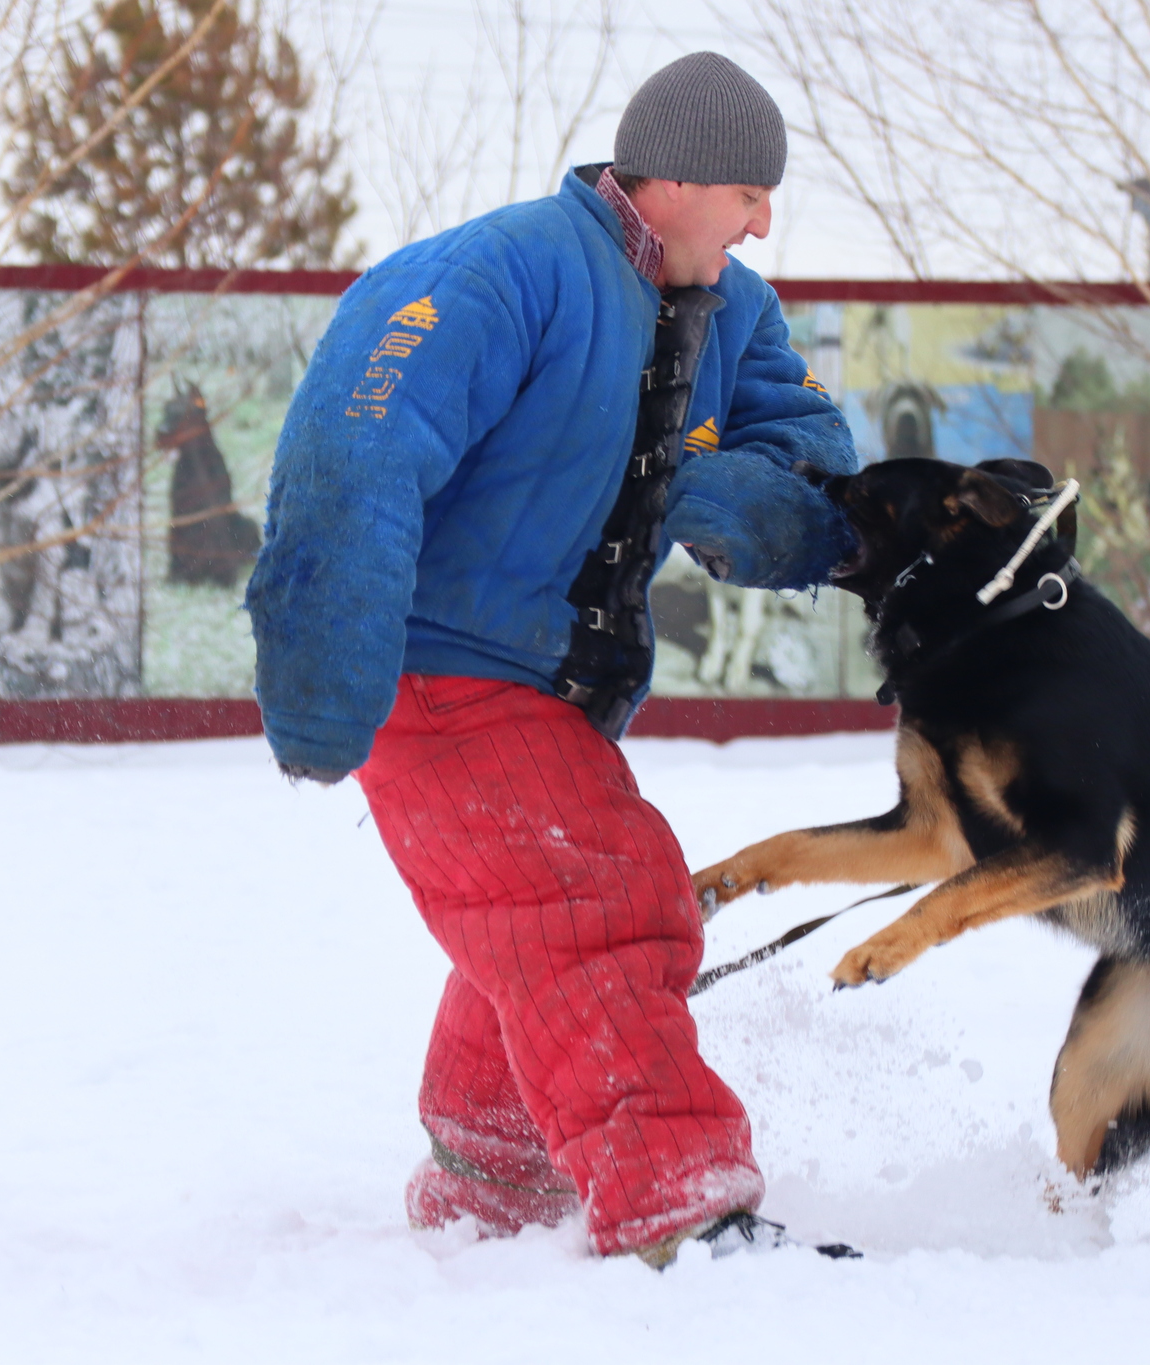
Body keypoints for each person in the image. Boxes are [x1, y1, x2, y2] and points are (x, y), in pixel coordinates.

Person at [247, 53, 859, 1265]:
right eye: (749, 192)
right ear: (675, 178)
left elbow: (808, 443)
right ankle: (675, 1202)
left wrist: (769, 505)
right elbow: (356, 446)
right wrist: (321, 658)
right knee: (600, 900)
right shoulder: (500, 270)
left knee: (527, 934)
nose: (762, 219)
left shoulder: (730, 310)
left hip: (559, 696)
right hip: (442, 677)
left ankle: (493, 1184)